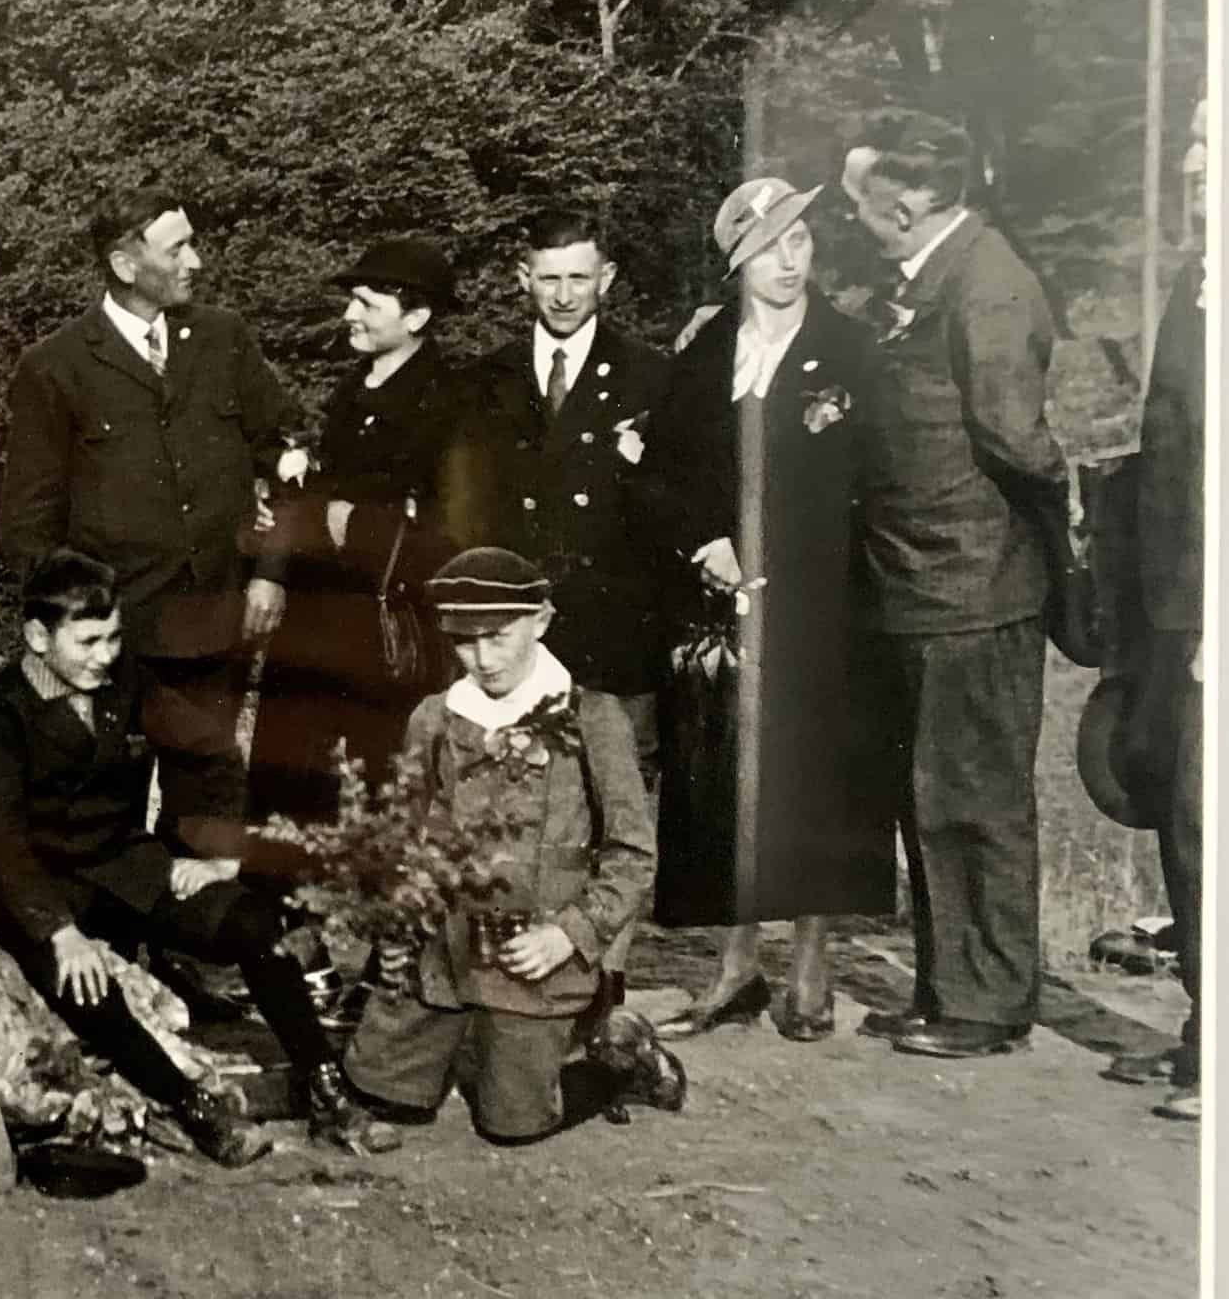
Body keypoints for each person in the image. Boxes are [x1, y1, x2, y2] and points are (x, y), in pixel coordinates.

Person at [0, 549, 355, 1168]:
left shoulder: (126, 681)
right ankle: (193, 1107)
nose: (105, 655)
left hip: (124, 865)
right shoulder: (1, 709)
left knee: (255, 924)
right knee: (85, 983)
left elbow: (212, 750)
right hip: (41, 885)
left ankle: (324, 1084)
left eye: (113, 638)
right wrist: (59, 932)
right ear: (38, 638)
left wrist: (219, 853)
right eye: (88, 641)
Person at [319, 550, 677, 1149]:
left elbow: (633, 854)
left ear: (541, 621)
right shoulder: (436, 718)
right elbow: (404, 840)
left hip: (533, 958)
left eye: (499, 637)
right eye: (464, 641)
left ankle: (619, 1057)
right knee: (380, 1095)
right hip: (442, 956)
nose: (483, 659)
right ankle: (451, 1044)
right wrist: (395, 927)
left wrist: (570, 934)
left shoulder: (593, 719)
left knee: (513, 1125)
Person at [647, 179, 897, 1040]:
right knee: (726, 780)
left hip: (824, 605)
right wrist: (705, 543)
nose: (787, 263)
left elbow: (870, 481)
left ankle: (809, 965)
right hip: (723, 606)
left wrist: (784, 559)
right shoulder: (705, 351)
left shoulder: (851, 349)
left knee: (815, 780)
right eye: (766, 250)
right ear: (736, 264)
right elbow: (663, 470)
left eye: (799, 242)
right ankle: (736, 964)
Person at [840, 111, 1066, 1059]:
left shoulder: (987, 286)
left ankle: (986, 1002)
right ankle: (947, 987)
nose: (852, 220)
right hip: (921, 582)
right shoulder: (936, 276)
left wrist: (1051, 537)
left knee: (973, 798)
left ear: (902, 207)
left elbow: (1018, 442)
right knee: (928, 799)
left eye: (859, 204)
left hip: (970, 588)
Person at [0, 188, 302, 864]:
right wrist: (68, 633)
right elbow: (27, 522)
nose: (196, 261)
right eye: (178, 248)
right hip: (114, 641)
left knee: (206, 808)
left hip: (214, 623)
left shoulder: (223, 339)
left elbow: (284, 459)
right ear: (124, 263)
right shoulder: (56, 367)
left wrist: (270, 574)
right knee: (103, 816)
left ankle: (197, 920)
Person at [246, 237, 470, 867]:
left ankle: (375, 918)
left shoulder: (449, 401)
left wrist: (358, 522)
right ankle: (284, 907)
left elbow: (453, 528)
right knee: (290, 783)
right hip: (315, 625)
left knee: (381, 791)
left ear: (417, 316)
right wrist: (293, 525)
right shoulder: (354, 386)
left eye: (368, 304)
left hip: (385, 632)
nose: (350, 315)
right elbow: (326, 497)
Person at [440, 209, 670, 786]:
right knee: (517, 788)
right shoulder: (485, 380)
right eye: (549, 279)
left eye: (578, 278)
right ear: (524, 278)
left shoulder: (651, 376)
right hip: (520, 628)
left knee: (623, 788)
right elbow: (467, 515)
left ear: (606, 278)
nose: (564, 296)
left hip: (617, 630)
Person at [1107, 102, 1205, 1122]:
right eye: (1193, 156)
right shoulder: (1194, 281)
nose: (1198, 172)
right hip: (1176, 607)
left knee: (1204, 816)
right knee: (1182, 817)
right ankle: (1200, 1031)